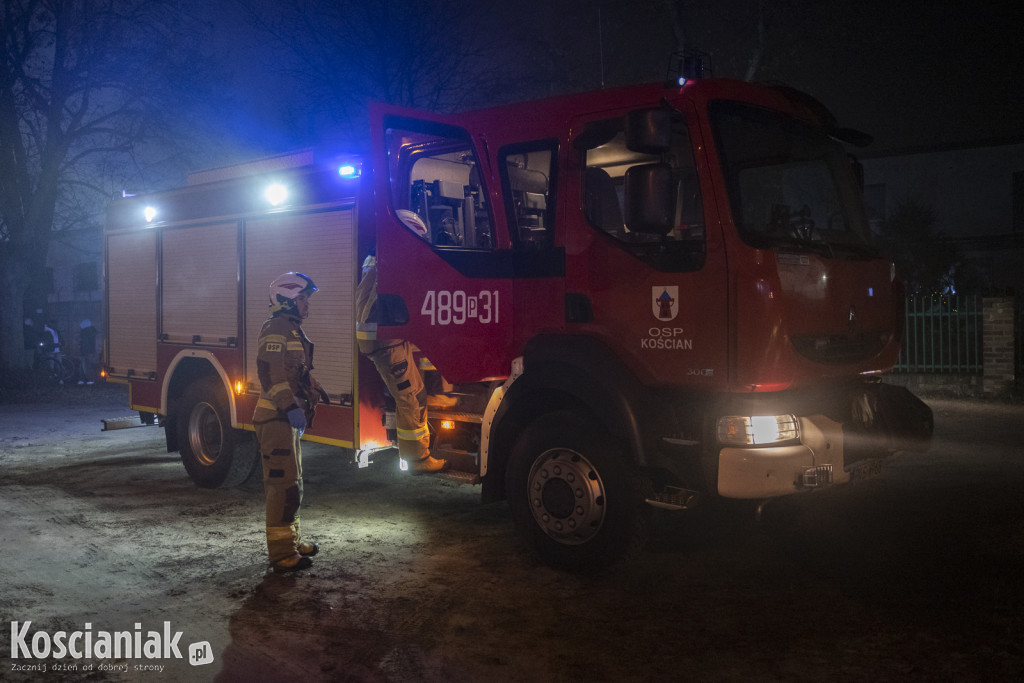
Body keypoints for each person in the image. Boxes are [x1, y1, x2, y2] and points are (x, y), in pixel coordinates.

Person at [252, 272, 324, 573]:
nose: (307, 304)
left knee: (293, 483)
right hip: (276, 419)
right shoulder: (276, 329)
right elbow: (271, 376)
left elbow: (296, 373)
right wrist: (290, 407)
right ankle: (281, 554)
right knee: (282, 486)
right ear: (286, 301)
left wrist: (313, 390)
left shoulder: (291, 330)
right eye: (303, 298)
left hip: (287, 420)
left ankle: (291, 542)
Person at [354, 250, 448, 473]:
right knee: (410, 398)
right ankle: (418, 459)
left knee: (416, 391)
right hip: (386, 342)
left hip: (385, 339)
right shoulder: (392, 263)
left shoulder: (377, 260)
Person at [78, 319, 98, 384]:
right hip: (87, 351)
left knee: (86, 365)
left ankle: (90, 379)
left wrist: (82, 350)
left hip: (86, 351)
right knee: (83, 365)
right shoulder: (90, 331)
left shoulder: (86, 332)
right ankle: (83, 379)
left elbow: (85, 343)